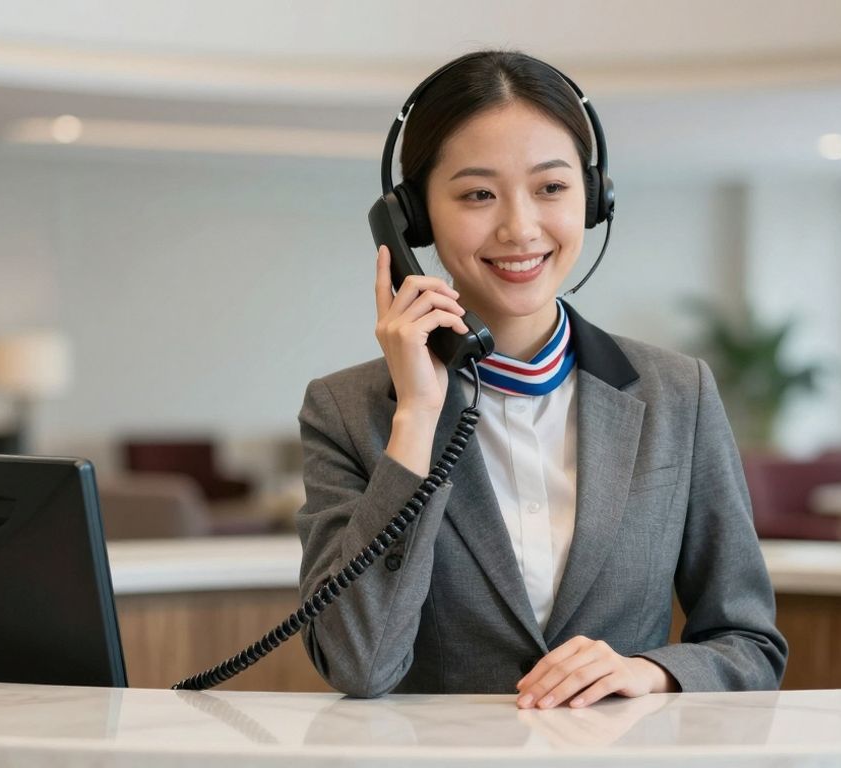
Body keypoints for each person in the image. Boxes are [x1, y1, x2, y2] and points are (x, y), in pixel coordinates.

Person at [296, 50, 786, 709]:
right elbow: (360, 664)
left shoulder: (678, 395)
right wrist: (415, 418)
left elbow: (749, 643)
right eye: (477, 194)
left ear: (593, 198)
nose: (519, 228)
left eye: (551, 188)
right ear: (411, 220)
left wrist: (654, 671)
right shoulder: (346, 411)